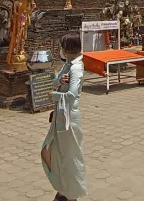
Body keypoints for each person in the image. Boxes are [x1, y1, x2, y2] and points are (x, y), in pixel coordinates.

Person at [41, 32, 87, 201]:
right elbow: (56, 82)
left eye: (62, 47)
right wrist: (59, 80)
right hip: (61, 115)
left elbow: (72, 95)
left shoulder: (76, 67)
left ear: (67, 49)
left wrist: (54, 96)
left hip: (69, 118)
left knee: (69, 156)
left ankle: (70, 193)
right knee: (52, 152)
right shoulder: (68, 65)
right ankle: (64, 189)